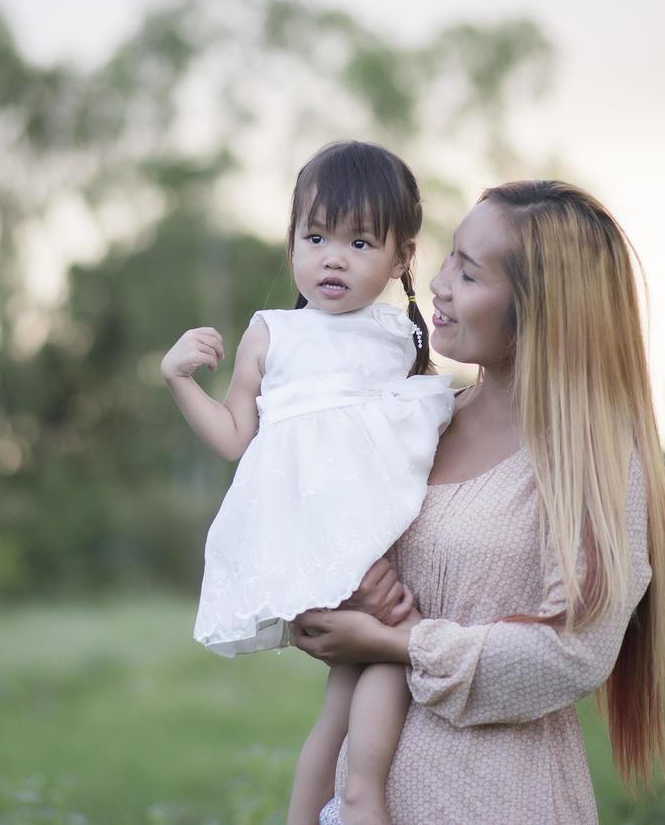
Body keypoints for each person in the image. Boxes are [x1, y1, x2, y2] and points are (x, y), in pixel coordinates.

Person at [292, 180, 665, 824]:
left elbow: (572, 654)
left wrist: (400, 643)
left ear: (540, 310)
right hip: (362, 799)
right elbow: (316, 549)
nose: (440, 285)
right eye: (449, 258)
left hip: (496, 799)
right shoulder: (417, 416)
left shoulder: (590, 461)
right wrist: (326, 609)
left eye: (470, 275)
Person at [160, 141, 454, 825]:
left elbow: (412, 439)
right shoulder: (273, 333)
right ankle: (364, 793)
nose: (332, 257)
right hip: (311, 530)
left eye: (358, 242)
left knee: (345, 680)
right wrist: (177, 378)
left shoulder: (399, 337)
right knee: (398, 637)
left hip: (370, 534)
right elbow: (236, 436)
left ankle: (306, 814)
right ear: (290, 240)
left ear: (401, 257)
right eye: (314, 236)